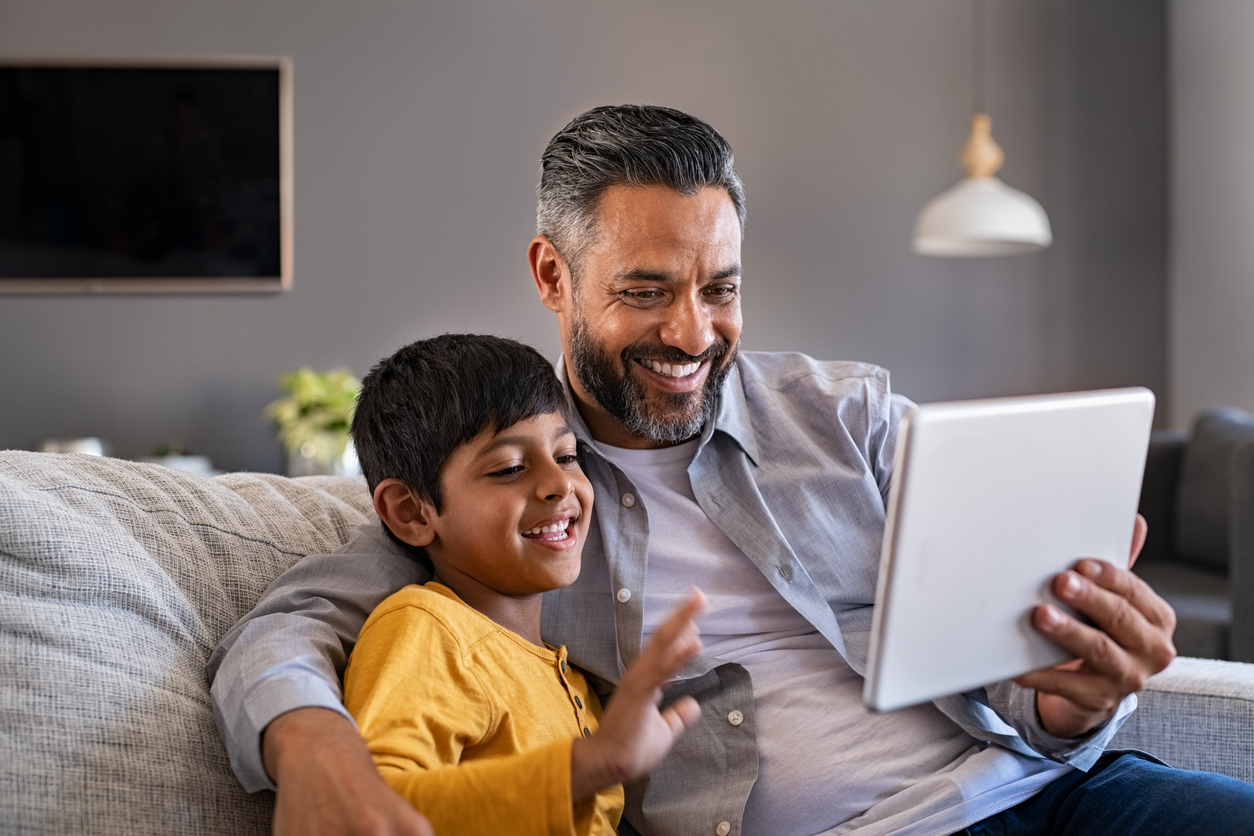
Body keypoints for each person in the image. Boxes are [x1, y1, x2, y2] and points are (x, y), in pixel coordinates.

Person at [209, 105, 1254, 836]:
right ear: (550, 275)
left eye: (720, 287)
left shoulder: (849, 416)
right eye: (648, 289)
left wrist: (1075, 699)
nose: (692, 331)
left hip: (1044, 793)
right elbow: (290, 623)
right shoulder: (516, 495)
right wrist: (310, 746)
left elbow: (1010, 680)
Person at [341, 333, 707, 835]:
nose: (559, 484)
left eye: (567, 455)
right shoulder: (429, 629)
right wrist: (592, 763)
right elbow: (375, 809)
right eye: (510, 467)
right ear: (411, 512)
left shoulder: (570, 674)